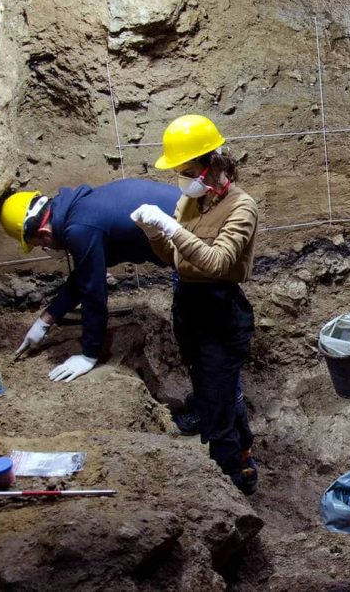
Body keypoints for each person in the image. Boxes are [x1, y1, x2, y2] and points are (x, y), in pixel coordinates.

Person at [130, 114, 260, 495]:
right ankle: (243, 453)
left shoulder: (241, 207)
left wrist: (172, 229)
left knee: (218, 409)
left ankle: (232, 481)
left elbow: (217, 263)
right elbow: (174, 258)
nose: (182, 180)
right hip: (189, 307)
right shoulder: (190, 201)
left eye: (187, 172)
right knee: (212, 393)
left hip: (221, 312)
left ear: (211, 165)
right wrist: (154, 234)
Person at [0, 180, 181, 382]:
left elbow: (93, 293)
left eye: (39, 245)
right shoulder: (77, 209)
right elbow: (84, 274)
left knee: (195, 328)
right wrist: (44, 321)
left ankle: (201, 395)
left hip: (192, 242)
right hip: (187, 229)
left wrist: (89, 354)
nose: (46, 249)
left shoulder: (80, 229)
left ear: (44, 234)